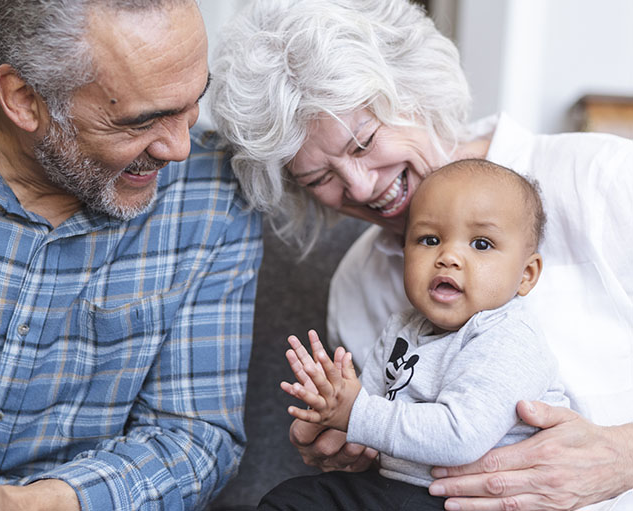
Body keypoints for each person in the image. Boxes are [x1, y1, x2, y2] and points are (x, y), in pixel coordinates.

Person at [208, 0, 633, 509]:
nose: (361, 187)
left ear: (414, 92)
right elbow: (394, 431)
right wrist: (352, 439)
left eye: (363, 142)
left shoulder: (603, 180)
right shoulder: (356, 284)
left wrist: (622, 456)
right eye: (320, 178)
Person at [0, 1, 262, 510]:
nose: (179, 148)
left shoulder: (213, 193)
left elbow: (190, 440)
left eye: (191, 104)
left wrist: (22, 505)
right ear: (24, 98)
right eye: (142, 121)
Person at [262, 159, 570, 510]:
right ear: (404, 252)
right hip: (392, 486)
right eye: (430, 239)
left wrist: (355, 413)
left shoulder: (511, 338)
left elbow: (460, 437)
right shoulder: (402, 328)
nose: (449, 256)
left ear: (527, 274)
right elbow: (367, 410)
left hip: (466, 498)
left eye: (481, 244)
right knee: (292, 499)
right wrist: (329, 411)